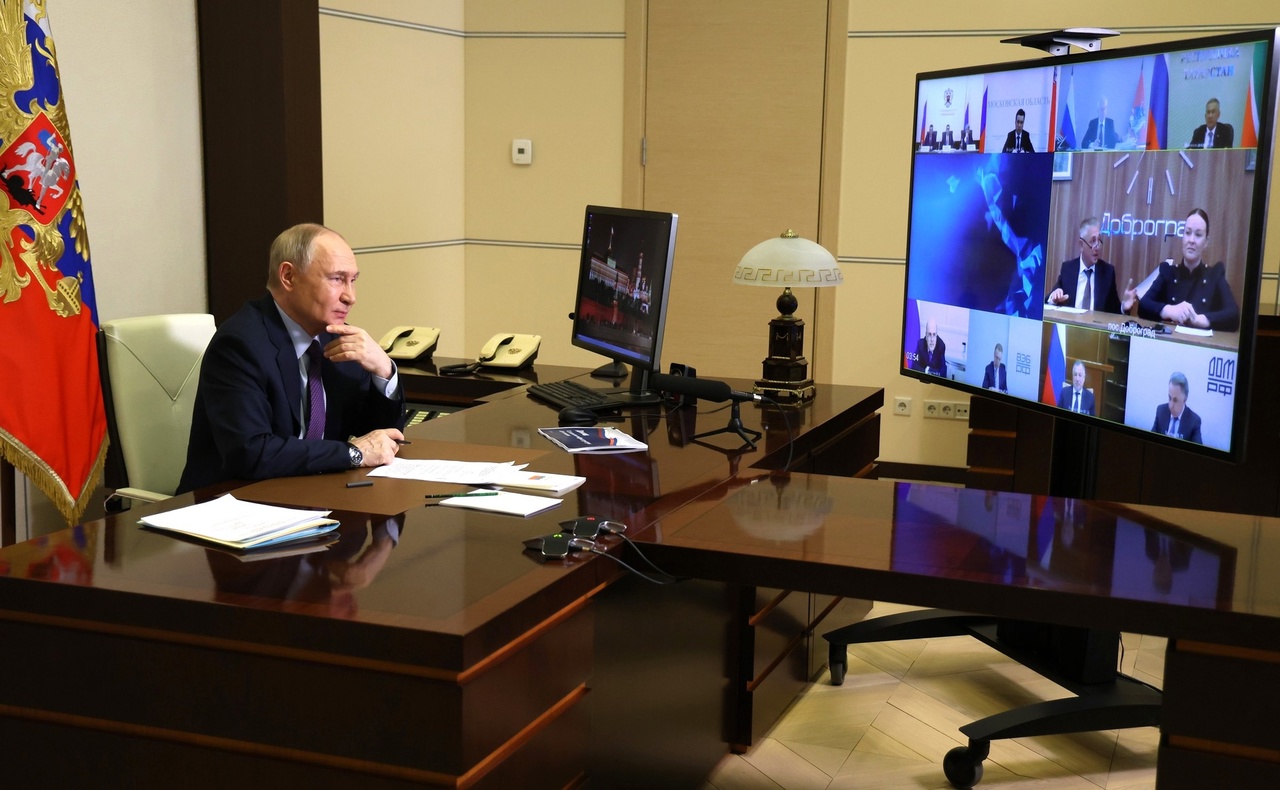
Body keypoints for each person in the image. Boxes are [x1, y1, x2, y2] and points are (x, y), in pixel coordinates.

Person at [178, 223, 406, 493]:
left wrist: (384, 371)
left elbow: (381, 439)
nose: (350, 297)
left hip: (314, 496)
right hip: (235, 501)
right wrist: (351, 454)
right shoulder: (240, 344)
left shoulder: (337, 338)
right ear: (288, 276)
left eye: (353, 280)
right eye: (336, 279)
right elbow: (251, 452)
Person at [1137, 208, 1239, 331]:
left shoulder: (1214, 275)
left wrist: (1202, 320)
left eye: (1198, 235)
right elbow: (1143, 305)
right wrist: (1170, 310)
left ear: (1206, 242)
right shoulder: (1168, 273)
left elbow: (1233, 315)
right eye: (1187, 232)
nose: (1191, 240)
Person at [1046, 217, 1136, 314]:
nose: (1097, 246)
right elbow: (1050, 299)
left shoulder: (1107, 272)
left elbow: (1114, 311)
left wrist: (1124, 307)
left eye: (1098, 240)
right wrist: (1053, 298)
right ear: (1081, 245)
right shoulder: (1068, 269)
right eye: (1093, 241)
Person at [1152, 372, 1203, 444]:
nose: (1171, 405)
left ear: (1185, 399)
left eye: (1175, 400)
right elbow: (1150, 442)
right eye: (1169, 398)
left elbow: (1197, 450)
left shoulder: (1194, 421)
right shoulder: (1161, 411)